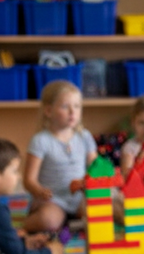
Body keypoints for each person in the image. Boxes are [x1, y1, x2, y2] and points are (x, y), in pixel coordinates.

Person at [23, 80, 97, 234]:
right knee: (49, 221)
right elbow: (28, 180)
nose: (73, 112)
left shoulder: (84, 136)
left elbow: (94, 168)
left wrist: (93, 182)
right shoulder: (41, 140)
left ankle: (70, 223)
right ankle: (26, 224)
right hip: (53, 200)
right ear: (49, 111)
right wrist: (39, 191)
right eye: (65, 107)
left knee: (98, 213)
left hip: (79, 197)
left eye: (77, 106)